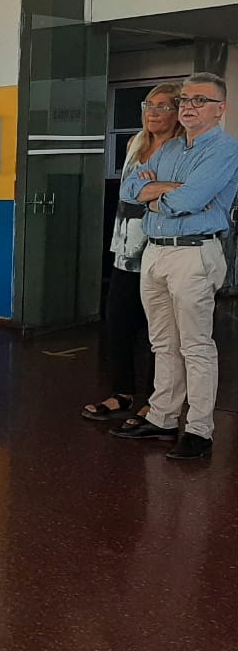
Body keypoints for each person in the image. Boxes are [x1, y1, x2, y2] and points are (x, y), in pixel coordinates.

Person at [114, 72, 238, 460]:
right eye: (185, 99)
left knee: (195, 345)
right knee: (163, 342)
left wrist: (158, 195)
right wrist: (168, 192)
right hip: (155, 251)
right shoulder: (168, 148)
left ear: (220, 109)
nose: (189, 106)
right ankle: (163, 417)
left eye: (200, 100)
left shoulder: (225, 150)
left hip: (193, 253)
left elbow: (191, 200)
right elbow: (130, 189)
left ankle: (199, 430)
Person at [82, 83, 182, 421]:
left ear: (177, 112)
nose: (153, 112)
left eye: (163, 106)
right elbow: (129, 192)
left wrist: (147, 188)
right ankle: (121, 393)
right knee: (118, 323)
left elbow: (176, 194)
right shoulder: (134, 143)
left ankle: (156, 400)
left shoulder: (181, 150)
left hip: (159, 248)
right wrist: (147, 187)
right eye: (148, 105)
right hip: (125, 248)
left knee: (159, 330)